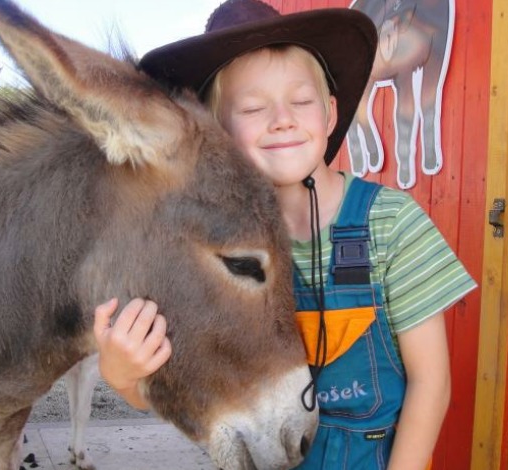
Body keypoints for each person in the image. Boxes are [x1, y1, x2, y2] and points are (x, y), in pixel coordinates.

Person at [93, 0, 477, 468]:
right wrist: (123, 379)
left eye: (301, 101)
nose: (282, 119)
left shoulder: (392, 224)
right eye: (254, 107)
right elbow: (192, 396)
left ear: (331, 115)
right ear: (218, 132)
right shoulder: (205, 249)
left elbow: (431, 382)